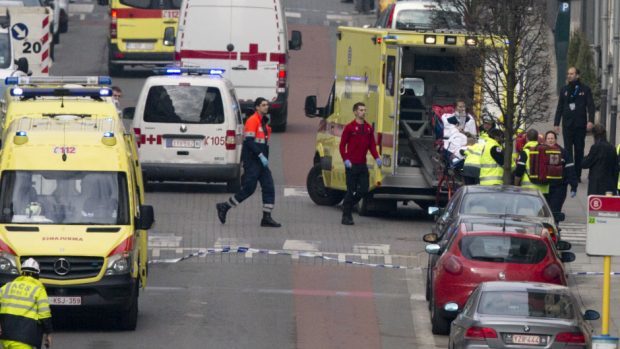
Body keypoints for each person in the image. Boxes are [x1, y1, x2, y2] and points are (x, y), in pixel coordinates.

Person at [216, 97, 281, 227]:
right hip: (253, 160)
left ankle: (266, 217)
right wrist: (261, 155)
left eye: (267, 105)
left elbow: (263, 142)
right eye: (263, 105)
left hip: (261, 162)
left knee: (269, 186)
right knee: (249, 189)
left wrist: (264, 158)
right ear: (257, 107)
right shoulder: (252, 121)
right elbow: (249, 142)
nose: (266, 107)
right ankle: (224, 206)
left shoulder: (264, 123)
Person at [339, 102, 382, 225]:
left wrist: (377, 158)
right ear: (355, 112)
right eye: (361, 110)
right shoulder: (350, 128)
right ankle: (346, 217)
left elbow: (372, 146)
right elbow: (342, 146)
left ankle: (347, 205)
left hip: (362, 165)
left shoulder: (368, 128)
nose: (363, 112)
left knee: (364, 189)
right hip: (352, 165)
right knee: (351, 190)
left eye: (364, 110)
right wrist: (345, 159)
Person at [553, 67, 596, 181]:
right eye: (568, 74)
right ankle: (569, 174)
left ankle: (577, 175)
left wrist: (590, 120)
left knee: (579, 150)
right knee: (567, 151)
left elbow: (590, 106)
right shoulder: (564, 89)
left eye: (572, 74)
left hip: (580, 125)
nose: (569, 75)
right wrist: (556, 123)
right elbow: (560, 107)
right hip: (567, 125)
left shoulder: (585, 89)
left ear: (577, 75)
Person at [0, 258, 52, 349]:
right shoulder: (39, 290)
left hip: (5, 338)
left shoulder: (6, 287)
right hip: (25, 338)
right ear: (37, 274)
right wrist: (48, 333)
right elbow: (44, 315)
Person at [544, 131, 577, 219]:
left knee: (555, 211)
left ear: (556, 139)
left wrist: (574, 186)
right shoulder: (542, 152)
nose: (550, 140)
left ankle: (555, 228)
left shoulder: (563, 152)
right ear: (545, 140)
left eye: (552, 138)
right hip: (545, 187)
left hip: (559, 187)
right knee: (545, 213)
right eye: (548, 139)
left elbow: (570, 169)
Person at [582, 124, 619, 195]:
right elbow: (616, 168)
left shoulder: (595, 147)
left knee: (596, 204)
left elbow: (585, 164)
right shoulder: (612, 148)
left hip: (596, 184)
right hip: (609, 184)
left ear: (594, 135)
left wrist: (584, 157)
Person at [514, 129, 549, 196]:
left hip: (529, 189)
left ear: (527, 138)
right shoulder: (544, 151)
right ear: (537, 138)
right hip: (544, 189)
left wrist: (516, 185)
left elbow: (519, 170)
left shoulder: (525, 152)